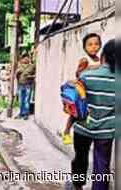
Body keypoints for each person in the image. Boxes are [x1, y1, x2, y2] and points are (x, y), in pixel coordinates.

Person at [70, 39, 115, 190]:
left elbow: (74, 101)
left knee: (80, 158)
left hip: (83, 127)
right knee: (102, 164)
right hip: (106, 131)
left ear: (104, 56)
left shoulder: (87, 76)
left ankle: (77, 186)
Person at [62, 33, 102, 145]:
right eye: (90, 45)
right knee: (76, 112)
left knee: (86, 111)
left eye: (96, 44)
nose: (94, 47)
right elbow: (79, 73)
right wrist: (95, 68)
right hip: (83, 90)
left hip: (92, 90)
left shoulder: (100, 59)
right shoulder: (85, 59)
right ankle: (66, 131)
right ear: (85, 47)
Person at [15, 53, 36, 120]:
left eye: (27, 57)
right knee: (21, 100)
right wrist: (17, 72)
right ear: (22, 59)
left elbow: (36, 75)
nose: (25, 59)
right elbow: (16, 76)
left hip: (28, 85)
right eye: (24, 58)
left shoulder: (32, 66)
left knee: (27, 100)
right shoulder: (19, 66)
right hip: (21, 85)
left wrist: (30, 76)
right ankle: (21, 113)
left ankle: (26, 114)